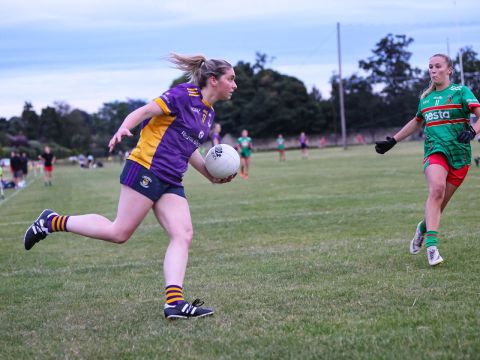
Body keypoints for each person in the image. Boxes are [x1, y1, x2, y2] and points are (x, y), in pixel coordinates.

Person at [23, 53, 238, 319]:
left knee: (183, 234)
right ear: (214, 80)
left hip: (171, 178)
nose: (234, 85)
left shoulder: (208, 114)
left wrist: (209, 174)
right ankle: (51, 221)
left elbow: (189, 147)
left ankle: (175, 303)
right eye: (231, 79)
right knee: (119, 232)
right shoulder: (184, 95)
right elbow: (144, 111)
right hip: (146, 167)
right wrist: (124, 128)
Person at [375, 53, 480, 267]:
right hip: (435, 151)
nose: (433, 70)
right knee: (437, 190)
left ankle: (423, 228)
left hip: (460, 156)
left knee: (439, 204)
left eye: (438, 66)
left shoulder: (461, 92)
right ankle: (432, 248)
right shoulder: (425, 99)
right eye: (430, 66)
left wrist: (472, 130)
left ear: (449, 70)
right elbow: (416, 122)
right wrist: (393, 141)